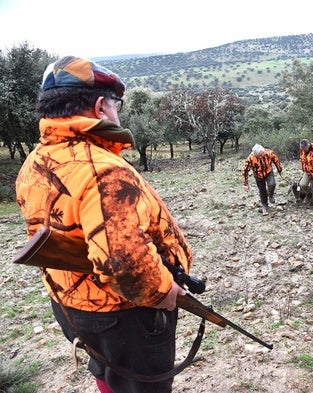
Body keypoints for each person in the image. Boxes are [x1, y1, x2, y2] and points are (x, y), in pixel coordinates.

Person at [15, 56, 192, 393]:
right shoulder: (103, 170)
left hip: (71, 303)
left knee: (107, 372)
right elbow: (125, 264)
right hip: (124, 315)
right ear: (100, 107)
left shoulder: (35, 163)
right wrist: (165, 292)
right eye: (116, 104)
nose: (118, 112)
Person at [241, 143, 283, 215]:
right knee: (262, 191)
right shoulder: (251, 158)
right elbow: (245, 171)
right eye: (258, 155)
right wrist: (245, 183)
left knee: (272, 184)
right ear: (255, 154)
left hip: (268, 172)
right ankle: (265, 206)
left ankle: (271, 195)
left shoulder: (269, 153)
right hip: (258, 176)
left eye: (261, 154)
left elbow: (276, 160)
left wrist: (279, 169)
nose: (261, 156)